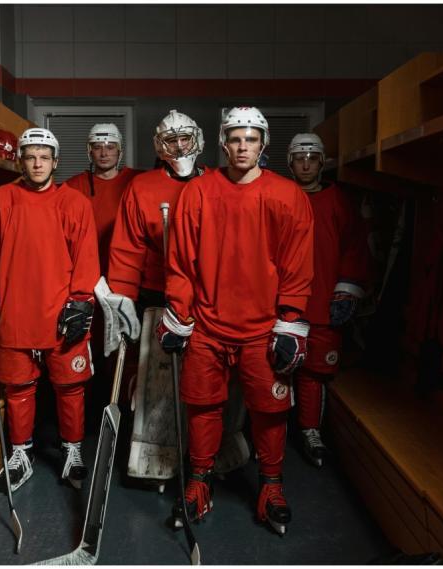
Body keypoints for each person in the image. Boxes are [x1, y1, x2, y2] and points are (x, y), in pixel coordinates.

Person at [159, 107, 314, 535]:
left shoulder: (287, 196)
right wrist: (179, 314)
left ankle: (271, 486)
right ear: (223, 143)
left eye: (250, 139)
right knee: (203, 404)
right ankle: (199, 481)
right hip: (208, 323)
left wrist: (291, 321)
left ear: (263, 144)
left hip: (263, 328)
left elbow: (298, 266)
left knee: (269, 409)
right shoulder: (199, 192)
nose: (242, 146)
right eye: (235, 138)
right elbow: (181, 263)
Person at [0, 127, 100, 491]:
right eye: (31, 156)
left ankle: (72, 449)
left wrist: (81, 300)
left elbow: (86, 257)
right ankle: (21, 453)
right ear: (20, 160)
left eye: (44, 157)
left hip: (61, 314)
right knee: (18, 388)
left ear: (55, 161)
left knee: (71, 388)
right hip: (16, 312)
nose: (38, 163)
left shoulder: (75, 204)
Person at [104, 110, 206, 485]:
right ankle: (149, 448)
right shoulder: (142, 187)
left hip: (202, 297)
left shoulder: (213, 184)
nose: (179, 147)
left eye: (185, 139)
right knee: (151, 377)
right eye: (171, 141)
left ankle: (201, 455)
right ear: (159, 148)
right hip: (154, 293)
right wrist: (122, 300)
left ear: (197, 139)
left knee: (200, 378)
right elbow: (127, 248)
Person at [286, 133, 371, 467]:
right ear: (290, 162)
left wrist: (346, 289)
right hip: (283, 306)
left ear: (321, 162)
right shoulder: (279, 195)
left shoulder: (339, 201)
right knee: (272, 371)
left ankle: (310, 430)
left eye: (312, 157)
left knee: (314, 373)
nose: (305, 163)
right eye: (299, 157)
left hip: (322, 304)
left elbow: (354, 247)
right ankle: (266, 432)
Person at [65, 123, 141, 278]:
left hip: (127, 268)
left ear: (120, 151)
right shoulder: (74, 185)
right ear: (89, 152)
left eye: (110, 147)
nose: (104, 153)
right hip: (86, 267)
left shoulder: (138, 181)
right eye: (97, 147)